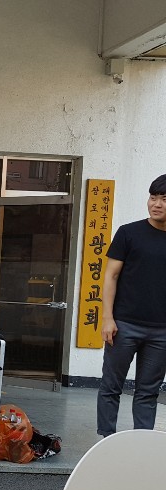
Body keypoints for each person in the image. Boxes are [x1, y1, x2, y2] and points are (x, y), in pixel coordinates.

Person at [97, 174, 166, 437]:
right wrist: (107, 318)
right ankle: (106, 441)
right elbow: (110, 276)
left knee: (148, 392)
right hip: (123, 325)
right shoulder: (129, 233)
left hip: (161, 332)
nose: (156, 204)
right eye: (153, 197)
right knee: (110, 387)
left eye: (164, 199)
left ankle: (141, 445)